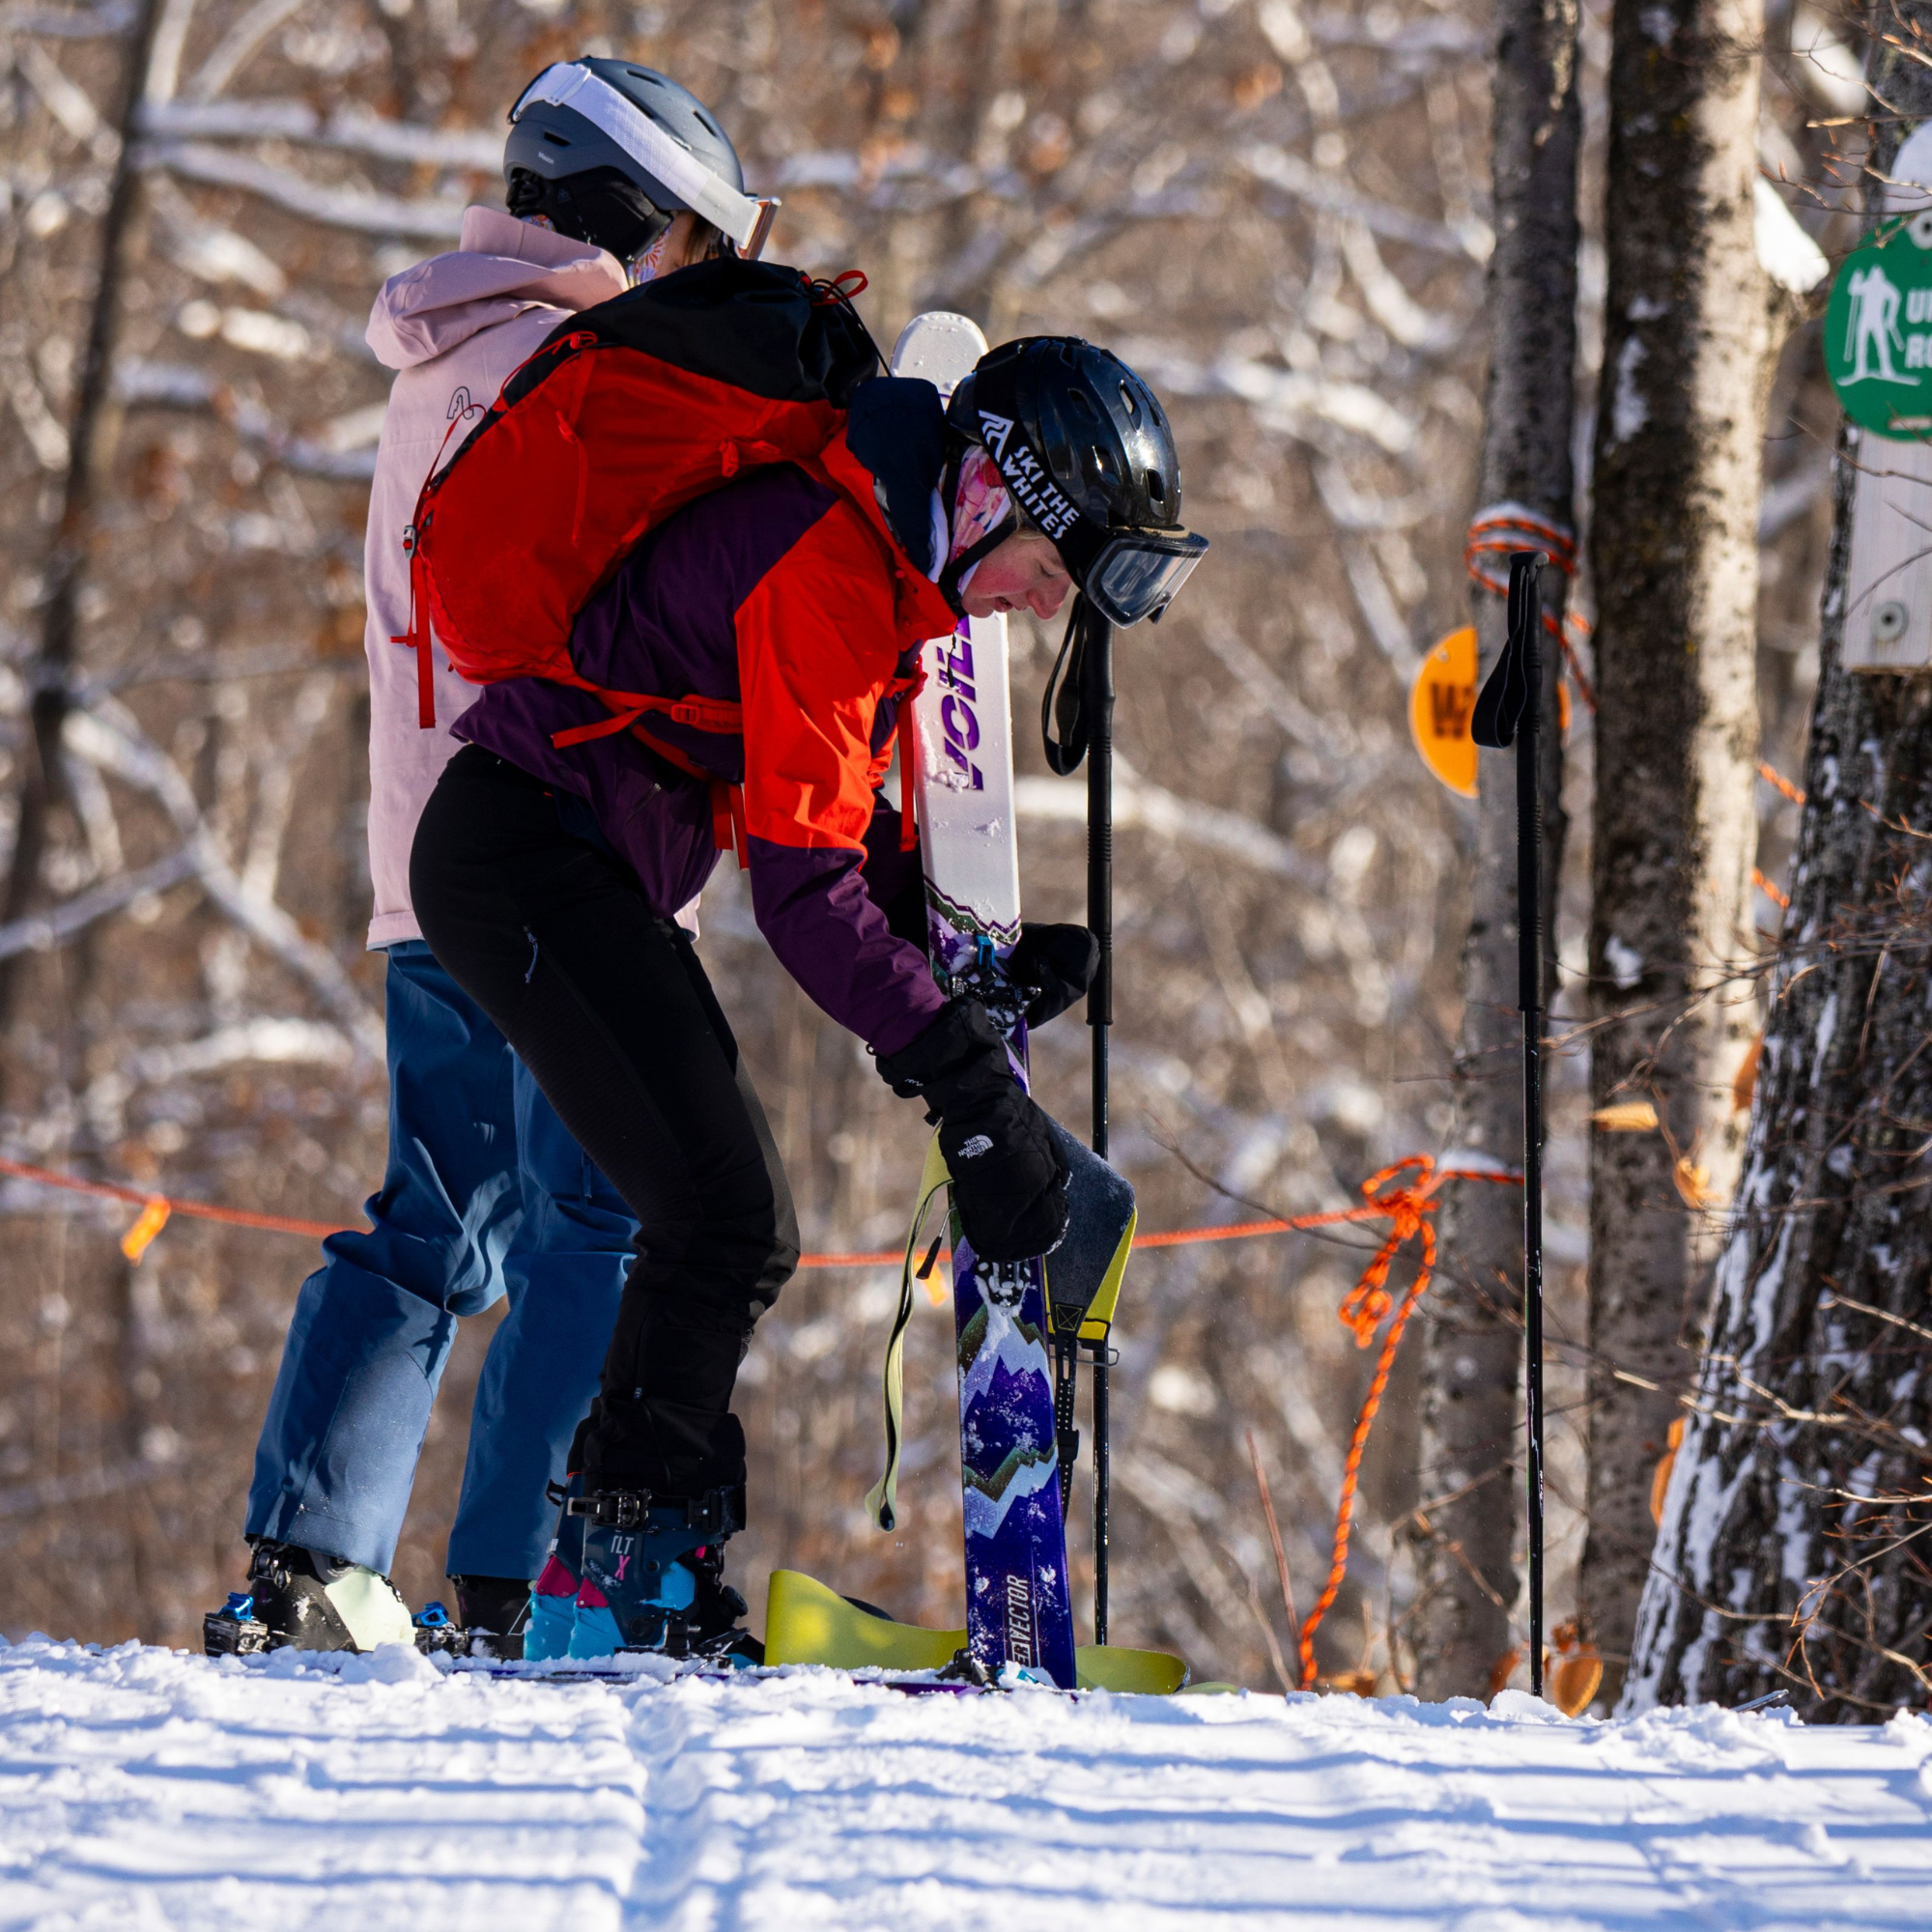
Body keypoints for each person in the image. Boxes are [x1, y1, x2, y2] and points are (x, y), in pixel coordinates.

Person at [408, 334, 1207, 1658]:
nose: (1042, 607)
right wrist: (960, 1079)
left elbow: (831, 826)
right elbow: (799, 894)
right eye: (1052, 572)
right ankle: (616, 1585)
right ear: (989, 496)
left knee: (719, 1215)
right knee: (722, 1216)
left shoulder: (865, 558)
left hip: (569, 863)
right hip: (524, 859)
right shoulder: (829, 565)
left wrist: (977, 966)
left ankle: (604, 1577)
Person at [221, 60, 760, 1658]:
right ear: (624, 218)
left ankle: (312, 1554)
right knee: (592, 1208)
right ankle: (532, 1576)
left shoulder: (440, 355)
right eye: (683, 247)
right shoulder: (568, 368)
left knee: (435, 1213)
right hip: (540, 858)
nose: (682, 283)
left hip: (423, 860)